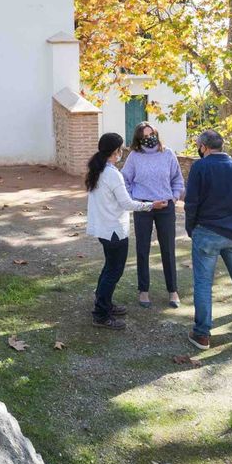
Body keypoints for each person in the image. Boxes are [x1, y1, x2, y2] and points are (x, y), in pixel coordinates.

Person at [184, 129, 232, 351]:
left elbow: (192, 202)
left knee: (203, 283)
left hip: (206, 231)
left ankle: (202, 335)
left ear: (204, 147)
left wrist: (191, 227)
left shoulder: (200, 167)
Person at [85, 132, 155, 330]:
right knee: (114, 271)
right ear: (115, 151)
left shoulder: (97, 170)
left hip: (104, 228)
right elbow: (126, 203)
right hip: (114, 230)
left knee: (109, 268)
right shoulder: (112, 173)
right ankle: (100, 314)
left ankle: (104, 303)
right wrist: (150, 205)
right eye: (121, 148)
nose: (123, 151)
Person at [121, 121, 185, 308]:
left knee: (168, 248)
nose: (149, 138)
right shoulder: (134, 156)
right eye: (145, 136)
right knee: (142, 249)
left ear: (157, 134)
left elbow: (177, 179)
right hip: (144, 207)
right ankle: (143, 290)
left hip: (165, 207)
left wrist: (173, 197)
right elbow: (124, 179)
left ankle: (173, 291)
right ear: (138, 139)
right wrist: (135, 199)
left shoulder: (168, 154)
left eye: (152, 134)